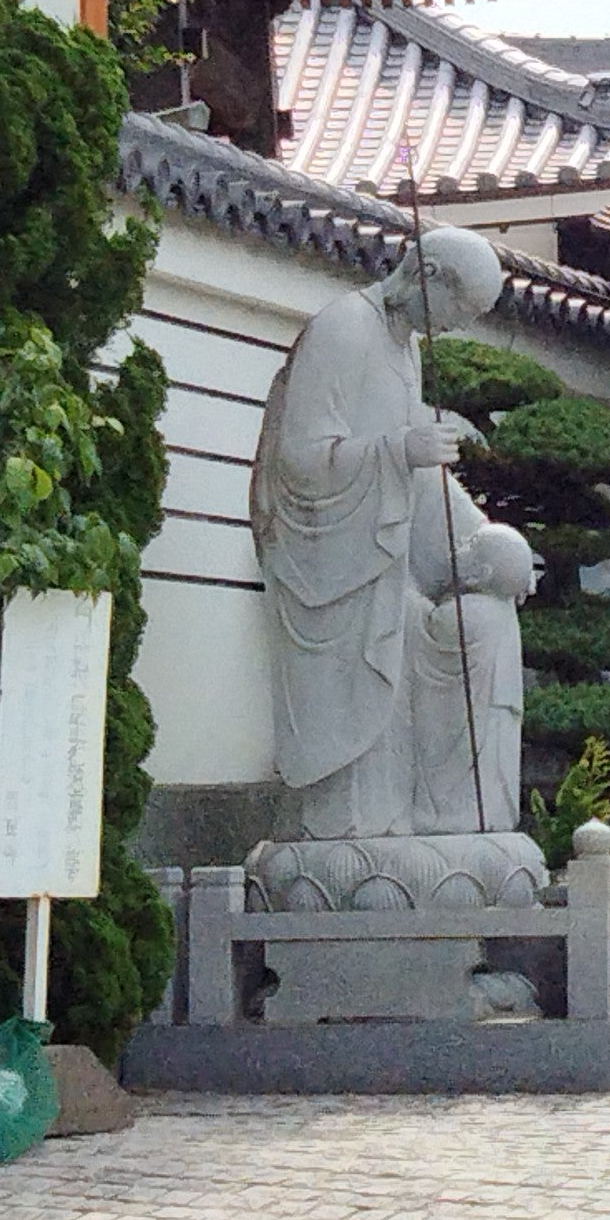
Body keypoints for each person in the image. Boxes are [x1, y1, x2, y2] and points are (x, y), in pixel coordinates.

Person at [248, 229, 506, 839]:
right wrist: (399, 449)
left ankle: (448, 816)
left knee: (481, 627)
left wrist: (487, 541)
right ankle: (349, 836)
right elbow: (299, 460)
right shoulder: (343, 329)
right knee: (369, 716)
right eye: (459, 310)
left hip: (384, 565)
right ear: (429, 275)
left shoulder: (404, 346)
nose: (456, 328)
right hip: (333, 568)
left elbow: (418, 476)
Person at [409, 520, 535, 838]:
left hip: (470, 718)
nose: (458, 550)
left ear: (484, 573)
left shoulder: (470, 612)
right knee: (492, 771)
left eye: (469, 547)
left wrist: (408, 599)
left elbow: (428, 632)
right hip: (491, 713)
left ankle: (452, 816)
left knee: (467, 774)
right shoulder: (503, 614)